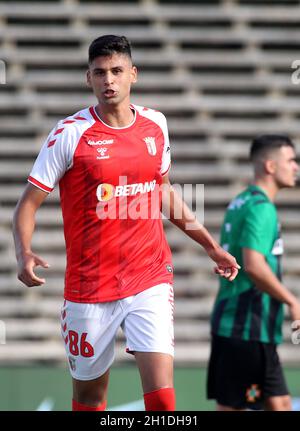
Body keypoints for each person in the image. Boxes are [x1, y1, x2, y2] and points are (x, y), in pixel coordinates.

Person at [12, 35, 239, 412]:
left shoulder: (155, 125)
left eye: (117, 71)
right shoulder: (70, 133)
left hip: (148, 276)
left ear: (133, 74)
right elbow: (27, 204)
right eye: (99, 73)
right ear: (88, 78)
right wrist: (24, 252)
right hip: (89, 288)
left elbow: (162, 190)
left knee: (164, 402)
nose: (109, 80)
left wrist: (209, 244)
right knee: (89, 400)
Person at [207, 134, 300, 411]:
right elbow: (253, 264)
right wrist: (293, 301)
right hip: (246, 327)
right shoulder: (262, 208)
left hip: (243, 327)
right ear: (271, 166)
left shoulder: (240, 202)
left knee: (278, 403)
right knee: (240, 406)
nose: (295, 167)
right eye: (291, 160)